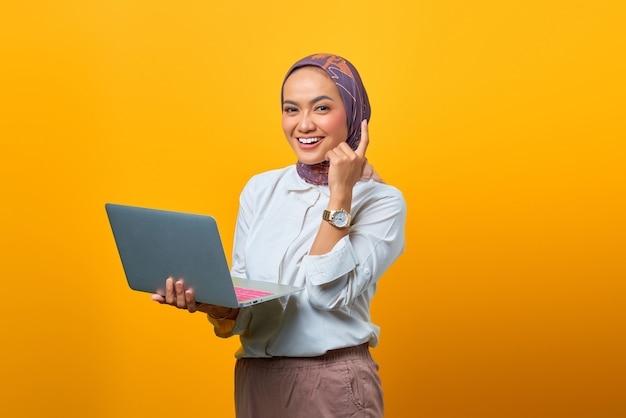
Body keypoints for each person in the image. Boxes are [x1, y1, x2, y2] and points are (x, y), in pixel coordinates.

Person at [152, 53, 406, 417]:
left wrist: (340, 193)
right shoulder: (260, 189)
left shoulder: (382, 201)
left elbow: (324, 294)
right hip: (256, 380)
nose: (303, 124)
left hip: (331, 382)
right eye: (291, 109)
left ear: (353, 114)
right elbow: (249, 305)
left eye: (321, 108)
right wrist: (208, 302)